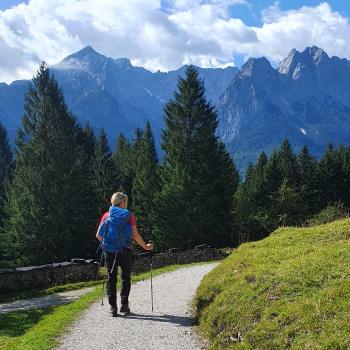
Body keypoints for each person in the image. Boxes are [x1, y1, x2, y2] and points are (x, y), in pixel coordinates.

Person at [96, 192, 153, 316]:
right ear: (122, 202)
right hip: (125, 250)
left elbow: (98, 235)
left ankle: (113, 308)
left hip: (109, 250)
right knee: (125, 277)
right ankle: (124, 305)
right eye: (125, 201)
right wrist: (146, 247)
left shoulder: (107, 215)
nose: (126, 204)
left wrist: (108, 244)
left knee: (111, 278)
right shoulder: (129, 216)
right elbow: (135, 235)